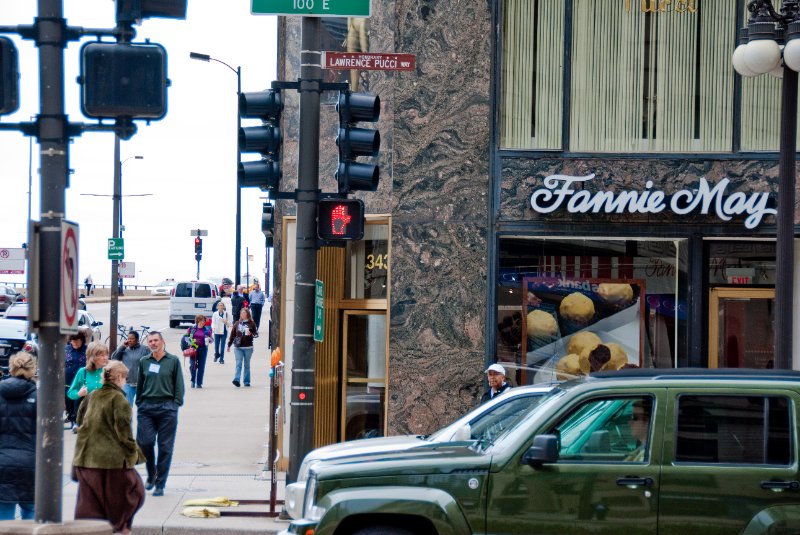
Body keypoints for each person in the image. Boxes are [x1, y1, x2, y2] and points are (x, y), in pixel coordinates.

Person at [72, 361, 145, 534]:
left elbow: (79, 421)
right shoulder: (119, 399)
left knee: (90, 505)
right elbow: (124, 432)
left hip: (86, 458)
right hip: (111, 462)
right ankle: (121, 527)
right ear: (119, 377)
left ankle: (95, 531)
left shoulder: (91, 395)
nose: (125, 382)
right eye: (125, 378)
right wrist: (133, 454)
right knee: (133, 494)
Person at [136, 331, 185, 497]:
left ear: (162, 342)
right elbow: (140, 385)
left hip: (167, 408)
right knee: (145, 442)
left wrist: (176, 403)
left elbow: (179, 384)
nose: (153, 343)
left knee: (165, 447)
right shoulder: (144, 361)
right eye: (150, 341)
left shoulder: (173, 361)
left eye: (156, 340)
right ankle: (152, 473)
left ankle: (160, 483)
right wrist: (139, 402)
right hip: (147, 407)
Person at [0, 352, 37, 521]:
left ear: (12, 368)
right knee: (31, 511)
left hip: (3, 463)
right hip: (31, 462)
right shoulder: (38, 397)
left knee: (4, 513)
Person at [67, 341, 110, 434]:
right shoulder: (83, 372)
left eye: (106, 354)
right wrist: (79, 394)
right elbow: (70, 393)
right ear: (92, 357)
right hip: (87, 418)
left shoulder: (109, 371)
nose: (105, 357)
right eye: (101, 355)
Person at [111, 331, 151, 405]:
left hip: (141, 384)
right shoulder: (124, 349)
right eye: (128, 338)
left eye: (132, 338)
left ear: (137, 339)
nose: (129, 340)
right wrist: (122, 347)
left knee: (143, 407)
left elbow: (151, 362)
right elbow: (114, 359)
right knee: (126, 406)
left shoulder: (145, 349)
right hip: (128, 383)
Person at [227, 308, 257, 388]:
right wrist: (229, 344)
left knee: (246, 365)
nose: (243, 315)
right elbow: (232, 334)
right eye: (242, 313)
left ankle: (246, 381)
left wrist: (251, 333)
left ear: (247, 314)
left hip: (248, 347)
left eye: (244, 313)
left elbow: (256, 334)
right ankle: (236, 379)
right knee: (238, 364)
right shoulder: (237, 323)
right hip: (238, 347)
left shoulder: (252, 323)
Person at [65, 332, 88, 428]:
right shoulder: (66, 349)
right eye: (73, 341)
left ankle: (76, 421)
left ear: (82, 340)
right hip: (67, 380)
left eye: (77, 341)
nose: (75, 343)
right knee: (68, 401)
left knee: (77, 401)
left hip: (80, 381)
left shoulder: (87, 350)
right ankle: (71, 416)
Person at [184, 315, 212, 388]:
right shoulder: (191, 329)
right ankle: (193, 381)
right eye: (202, 320)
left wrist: (209, 339)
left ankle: (199, 383)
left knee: (201, 366)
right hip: (193, 349)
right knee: (192, 366)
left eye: (204, 321)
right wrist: (192, 342)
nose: (203, 322)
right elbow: (186, 338)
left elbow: (212, 340)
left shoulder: (207, 330)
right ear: (198, 321)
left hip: (203, 349)